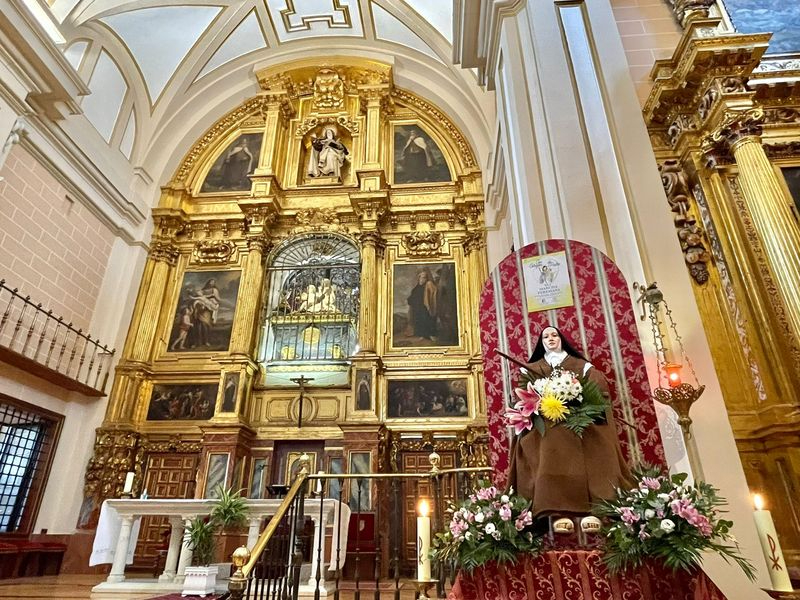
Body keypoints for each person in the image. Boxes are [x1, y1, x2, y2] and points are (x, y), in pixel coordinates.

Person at [507, 326, 633, 531]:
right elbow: (522, 398)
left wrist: (577, 398)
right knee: (548, 440)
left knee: (596, 439)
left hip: (580, 419)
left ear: (561, 339)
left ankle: (596, 510)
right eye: (546, 336)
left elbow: (599, 392)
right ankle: (558, 511)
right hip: (546, 423)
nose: (550, 339)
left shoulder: (581, 366)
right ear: (541, 342)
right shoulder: (531, 369)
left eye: (554, 335)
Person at [406, 268, 438, 340]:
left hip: (425, 307)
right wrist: (410, 300)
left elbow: (434, 292)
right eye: (422, 277)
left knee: (427, 319)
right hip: (418, 308)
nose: (424, 279)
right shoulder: (417, 287)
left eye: (425, 277)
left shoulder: (428, 285)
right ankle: (422, 335)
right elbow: (412, 297)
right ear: (419, 278)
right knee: (419, 320)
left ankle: (431, 335)